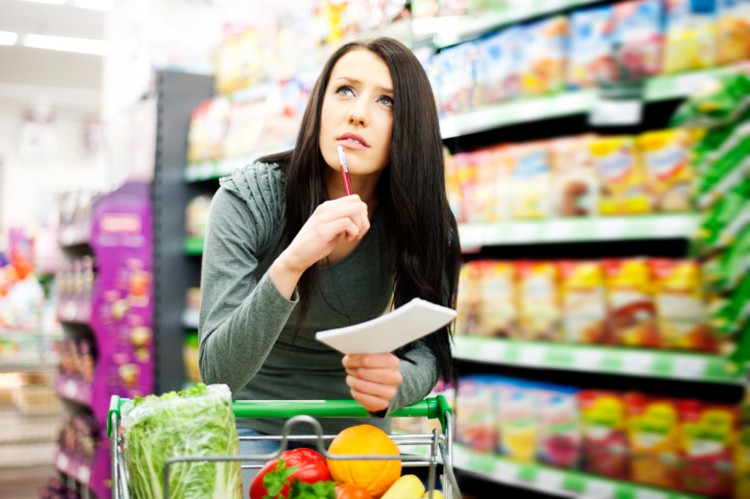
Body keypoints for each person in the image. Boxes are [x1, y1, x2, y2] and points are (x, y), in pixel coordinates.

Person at [198, 36, 461, 491]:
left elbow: (429, 350)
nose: (358, 111)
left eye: (386, 100)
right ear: (319, 106)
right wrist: (292, 262)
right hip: (251, 424)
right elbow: (216, 372)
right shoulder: (247, 200)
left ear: (411, 127)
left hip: (356, 437)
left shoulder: (422, 219)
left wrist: (397, 383)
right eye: (345, 90)